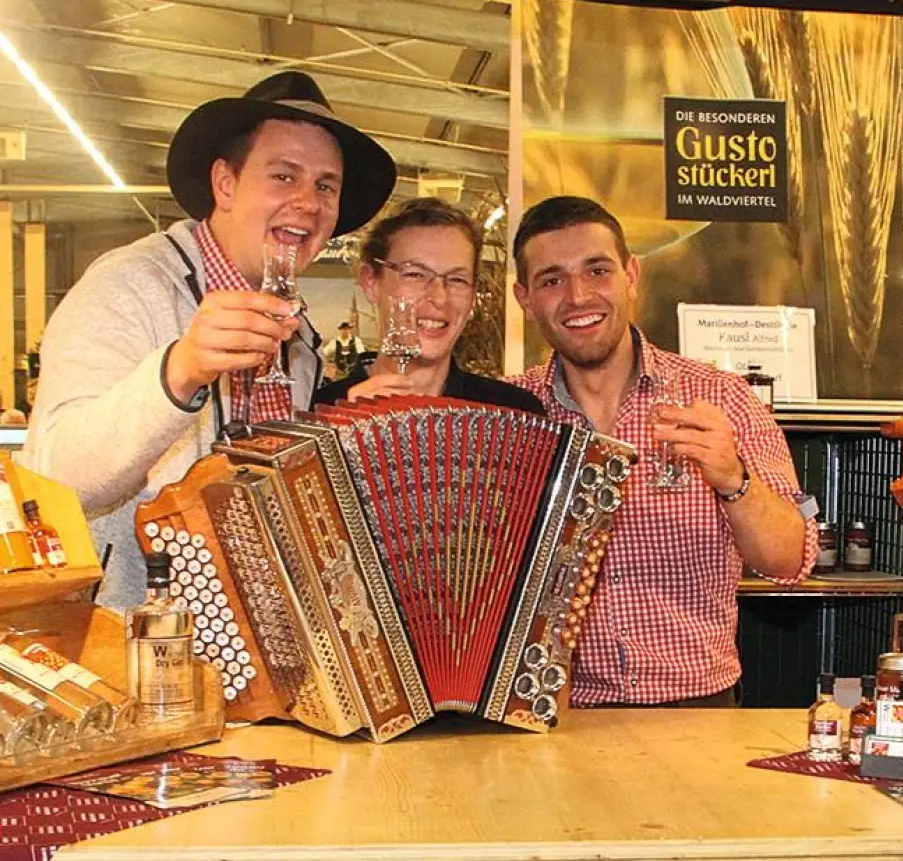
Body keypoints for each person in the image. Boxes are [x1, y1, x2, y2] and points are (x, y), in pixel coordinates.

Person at [21, 71, 396, 609]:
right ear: (225, 183)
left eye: (325, 186)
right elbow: (53, 480)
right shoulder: (129, 285)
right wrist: (178, 372)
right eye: (284, 176)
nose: (308, 203)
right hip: (122, 640)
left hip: (245, 653)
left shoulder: (301, 342)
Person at [505, 195, 817, 707]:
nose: (578, 295)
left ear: (631, 275)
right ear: (525, 298)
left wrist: (733, 479)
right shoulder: (511, 415)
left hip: (697, 713)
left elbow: (788, 561)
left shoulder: (722, 397)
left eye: (597, 270)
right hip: (552, 716)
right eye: (552, 279)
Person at [312, 198, 543, 413]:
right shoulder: (319, 411)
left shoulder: (513, 411)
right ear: (371, 281)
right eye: (415, 275)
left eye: (457, 280)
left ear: (473, 295)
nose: (439, 297)